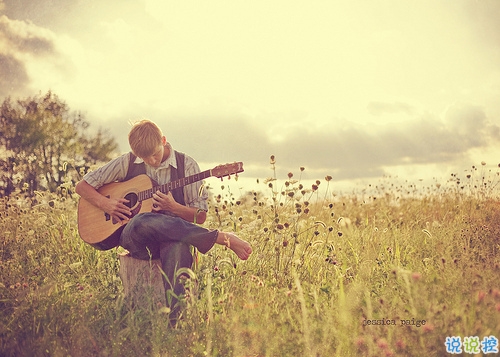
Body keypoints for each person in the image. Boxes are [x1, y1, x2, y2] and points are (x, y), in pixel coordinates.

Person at [75, 119, 252, 324]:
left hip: (174, 237)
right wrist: (105, 205)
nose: (151, 160)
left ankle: (175, 323)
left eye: (155, 153)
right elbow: (82, 186)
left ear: (164, 141)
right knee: (142, 220)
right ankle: (220, 238)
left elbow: (200, 217)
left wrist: (173, 207)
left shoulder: (187, 165)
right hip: (137, 238)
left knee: (177, 246)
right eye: (144, 157)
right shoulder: (128, 161)